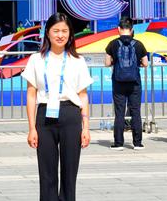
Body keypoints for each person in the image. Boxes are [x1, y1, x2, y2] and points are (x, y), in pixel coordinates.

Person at [23, 13, 92, 201]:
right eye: (56, 31)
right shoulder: (36, 59)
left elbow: (83, 95)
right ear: (47, 33)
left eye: (64, 31)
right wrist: (31, 128)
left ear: (70, 34)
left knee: (70, 173)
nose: (60, 35)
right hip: (45, 116)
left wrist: (86, 127)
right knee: (47, 173)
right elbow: (31, 94)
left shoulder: (77, 61)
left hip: (70, 114)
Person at [104, 17, 148, 150]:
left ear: (118, 29)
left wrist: (115, 62)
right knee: (135, 111)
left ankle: (118, 143)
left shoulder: (113, 44)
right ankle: (137, 143)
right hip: (135, 82)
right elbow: (145, 63)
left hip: (118, 82)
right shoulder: (138, 44)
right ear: (132, 29)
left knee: (119, 112)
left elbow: (107, 63)